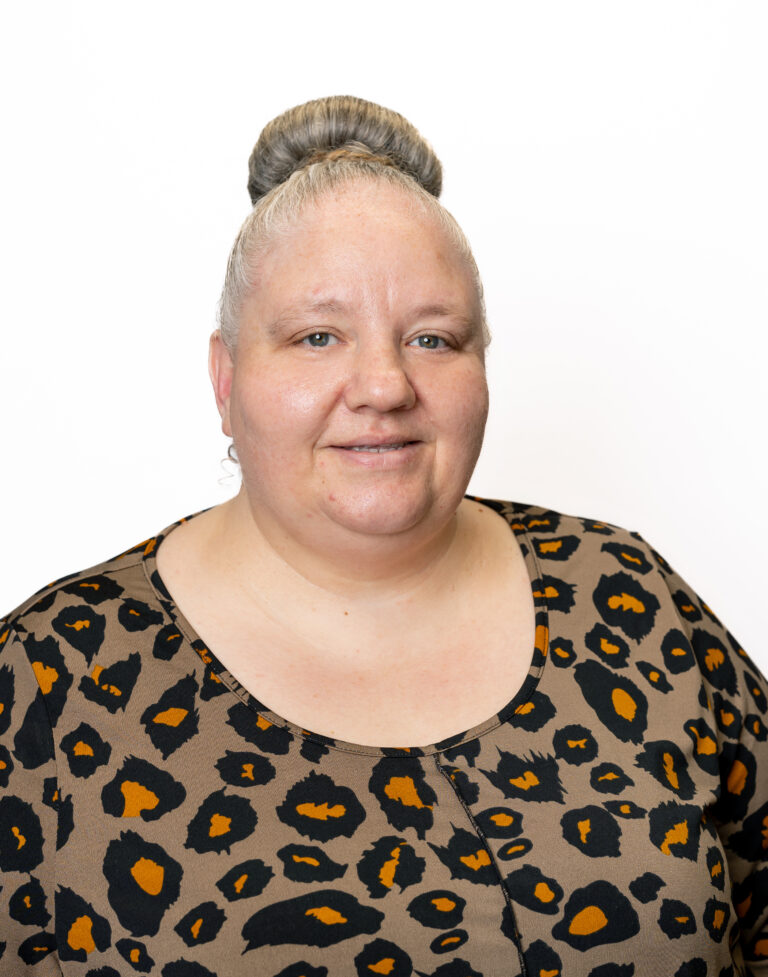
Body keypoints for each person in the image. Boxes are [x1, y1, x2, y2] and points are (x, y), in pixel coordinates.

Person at [0, 95, 765, 977]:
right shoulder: (54, 677)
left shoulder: (629, 600)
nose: (384, 385)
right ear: (226, 375)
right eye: (317, 336)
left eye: (433, 338)